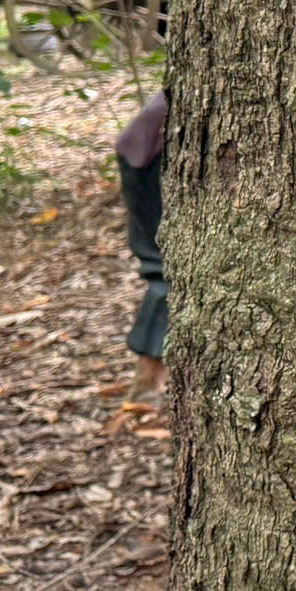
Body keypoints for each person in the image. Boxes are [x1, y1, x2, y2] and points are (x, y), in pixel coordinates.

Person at [116, 90, 168, 397]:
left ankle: (150, 377)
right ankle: (148, 382)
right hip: (145, 160)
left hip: (141, 153)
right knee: (162, 267)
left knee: (162, 267)